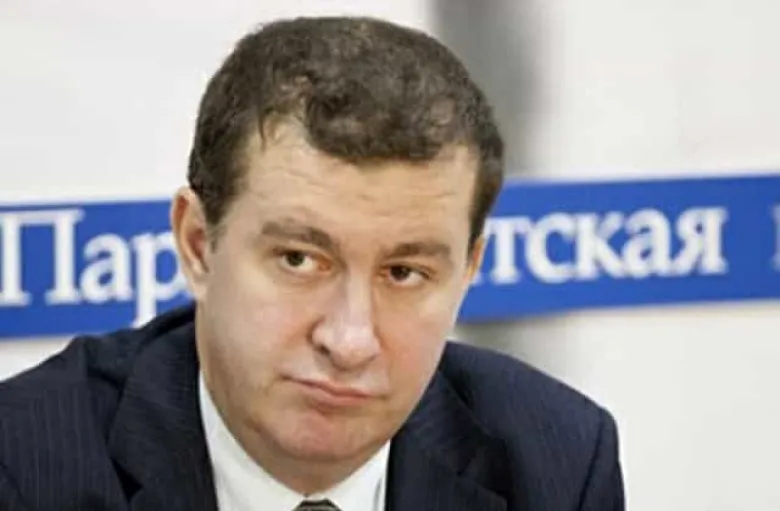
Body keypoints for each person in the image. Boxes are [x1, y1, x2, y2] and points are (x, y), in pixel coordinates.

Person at [0, 16, 624, 511]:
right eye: (299, 260)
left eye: (404, 273)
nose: (350, 341)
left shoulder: (556, 462)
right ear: (198, 244)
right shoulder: (25, 466)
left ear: (467, 272)